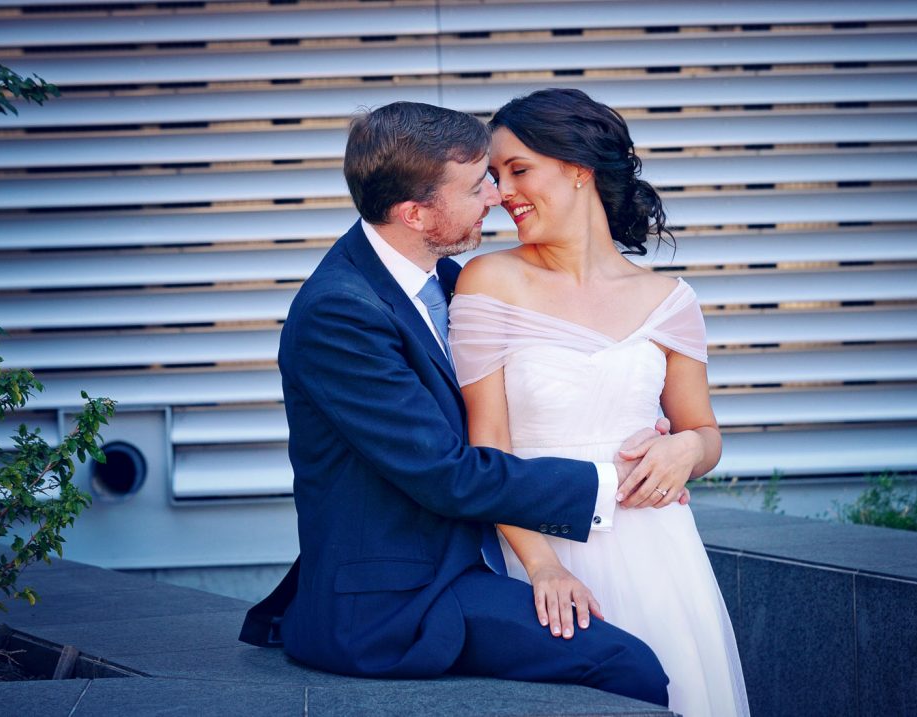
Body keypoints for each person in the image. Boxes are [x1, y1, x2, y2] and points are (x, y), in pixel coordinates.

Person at [239, 100, 689, 708]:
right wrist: (615, 483)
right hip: (400, 597)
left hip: (475, 555)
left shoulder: (448, 282)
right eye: (479, 185)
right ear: (416, 212)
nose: (497, 198)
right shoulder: (339, 314)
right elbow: (444, 474)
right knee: (624, 666)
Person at [448, 88, 751, 716]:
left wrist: (685, 448)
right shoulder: (490, 281)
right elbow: (487, 449)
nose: (502, 193)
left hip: (660, 552)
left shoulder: (670, 299)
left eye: (518, 169)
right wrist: (541, 568)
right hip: (540, 551)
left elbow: (705, 433)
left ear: (579, 169)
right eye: (494, 176)